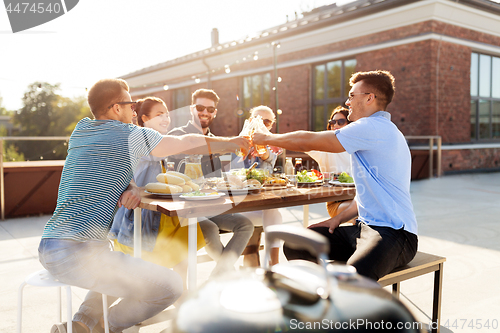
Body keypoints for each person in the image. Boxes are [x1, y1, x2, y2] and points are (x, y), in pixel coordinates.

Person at [39, 79, 250, 333]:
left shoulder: (81, 130)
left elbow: (100, 167)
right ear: (117, 108)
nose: (135, 111)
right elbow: (183, 144)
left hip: (52, 245)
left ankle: (78, 327)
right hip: (77, 253)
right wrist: (234, 141)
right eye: (132, 104)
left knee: (122, 267)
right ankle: (102, 329)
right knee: (170, 286)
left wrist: (130, 187)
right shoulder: (130, 134)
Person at [252, 70, 418, 281]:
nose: (348, 102)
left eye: (352, 96)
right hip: (363, 229)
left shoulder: (372, 127)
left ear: (369, 98)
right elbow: (367, 193)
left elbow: (307, 140)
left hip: (395, 234)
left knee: (352, 278)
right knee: (296, 245)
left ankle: (340, 304)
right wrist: (337, 219)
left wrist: (267, 138)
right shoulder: (377, 130)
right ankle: (319, 297)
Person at [109, 96, 207, 274]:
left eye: (167, 114)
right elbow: (186, 145)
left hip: (161, 214)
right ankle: (179, 293)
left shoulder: (158, 141)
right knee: (139, 278)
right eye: (159, 115)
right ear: (145, 118)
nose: (166, 119)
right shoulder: (140, 140)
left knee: (184, 249)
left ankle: (182, 293)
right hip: (138, 218)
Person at [168, 88, 254, 277]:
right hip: (184, 208)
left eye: (210, 109)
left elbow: (217, 179)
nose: (205, 112)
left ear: (215, 112)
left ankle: (218, 278)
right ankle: (228, 276)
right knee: (211, 229)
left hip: (210, 205)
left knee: (246, 225)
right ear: (192, 108)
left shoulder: (217, 141)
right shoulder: (176, 135)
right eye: (200, 107)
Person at [231, 106, 283, 266]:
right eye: (257, 119)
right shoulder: (240, 141)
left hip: (262, 203)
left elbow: (268, 156)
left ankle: (273, 264)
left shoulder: (273, 144)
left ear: (271, 125)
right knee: (272, 214)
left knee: (272, 210)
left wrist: (262, 147)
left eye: (266, 121)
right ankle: (264, 267)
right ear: (250, 121)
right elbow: (234, 170)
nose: (261, 123)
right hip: (242, 204)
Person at [306, 106, 355, 220]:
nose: (335, 125)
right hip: (336, 202)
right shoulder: (324, 148)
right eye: (332, 122)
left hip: (358, 198)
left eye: (341, 122)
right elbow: (304, 144)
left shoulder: (357, 147)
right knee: (363, 210)